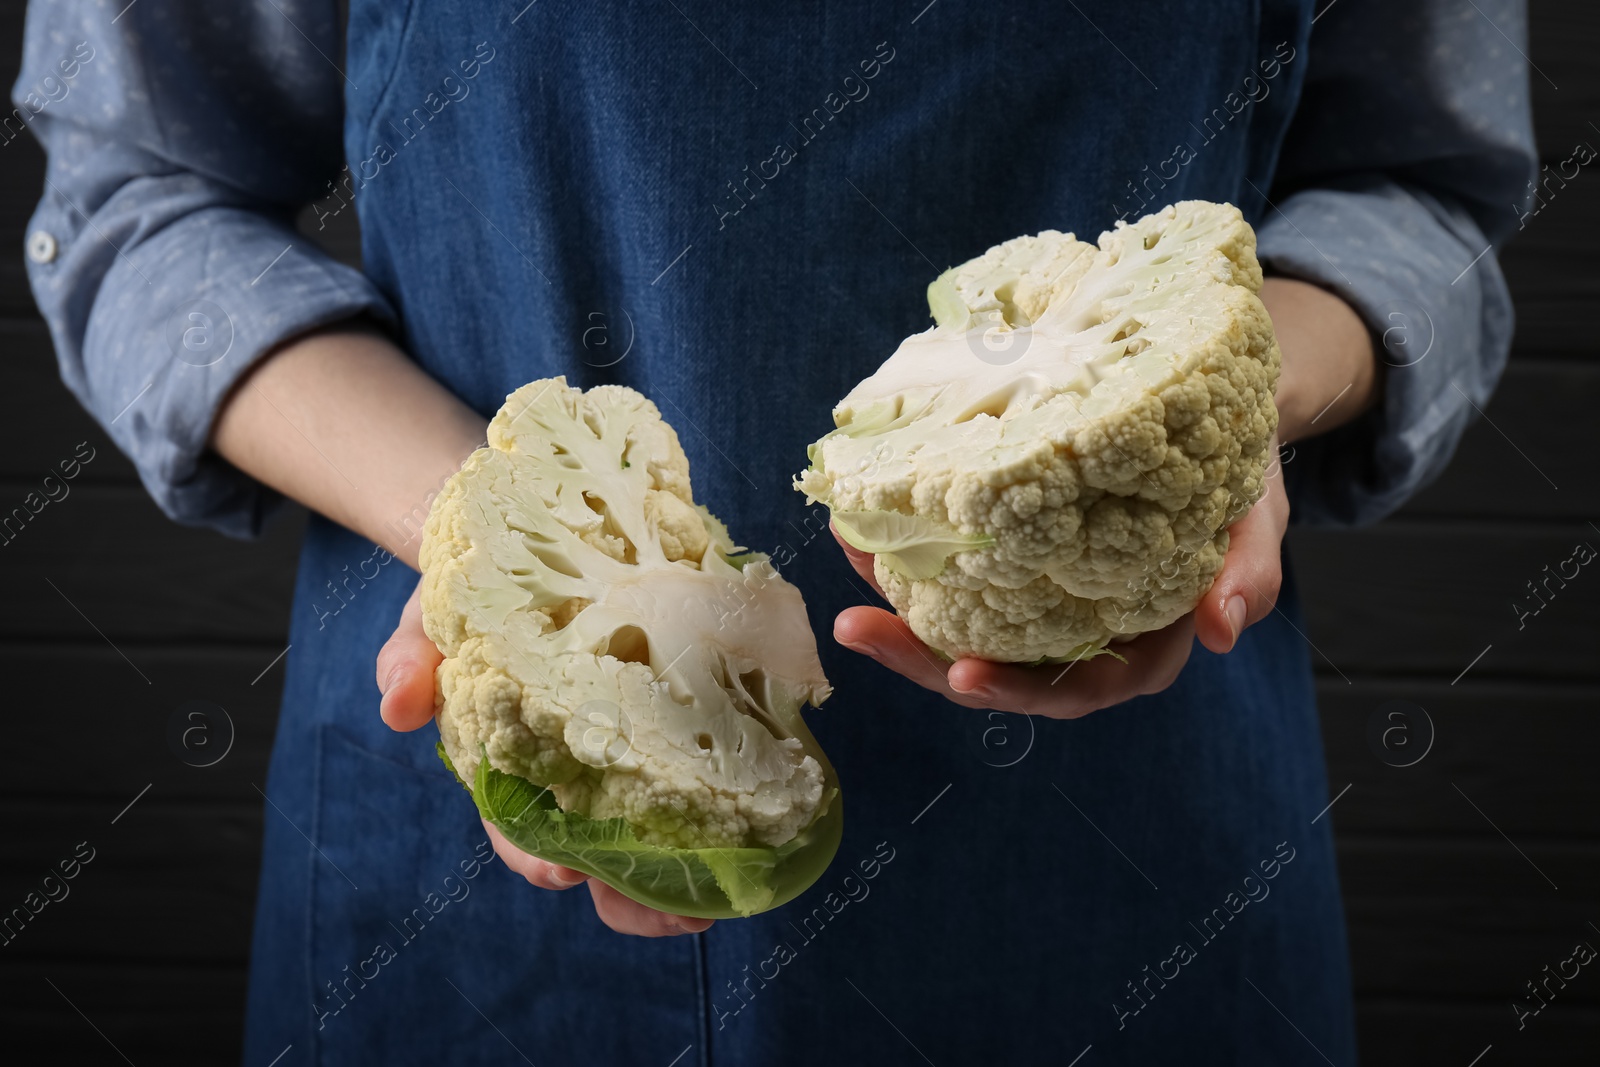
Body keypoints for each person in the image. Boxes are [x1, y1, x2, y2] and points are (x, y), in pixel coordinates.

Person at [16, 0, 1533, 1062]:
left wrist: (1210, 400)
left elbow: (1422, 192)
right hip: (468, 901)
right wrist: (497, 541)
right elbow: (138, 198)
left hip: (1131, 856)